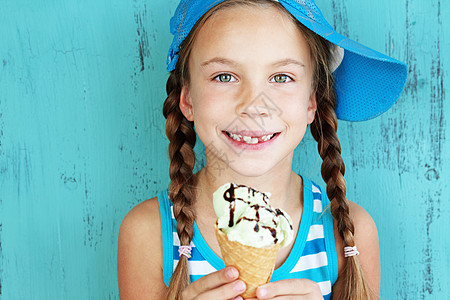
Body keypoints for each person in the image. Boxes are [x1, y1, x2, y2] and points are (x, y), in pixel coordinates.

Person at [117, 0, 408, 299]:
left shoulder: (348, 234)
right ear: (187, 98)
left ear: (312, 101)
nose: (253, 106)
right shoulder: (148, 234)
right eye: (224, 76)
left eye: (281, 77)